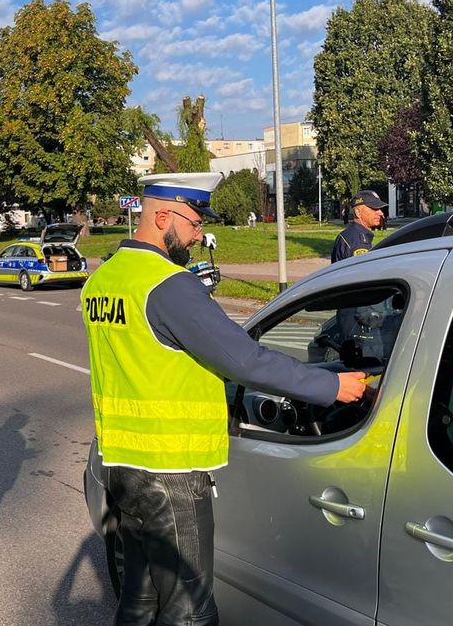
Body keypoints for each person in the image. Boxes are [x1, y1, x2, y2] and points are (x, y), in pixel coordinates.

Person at [82, 172, 368, 626]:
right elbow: (246, 360)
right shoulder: (168, 284)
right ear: (162, 216)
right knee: (190, 611)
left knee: (139, 599)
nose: (198, 236)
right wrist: (333, 387)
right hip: (171, 471)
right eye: (194, 223)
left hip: (121, 464)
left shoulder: (104, 280)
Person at [330, 190, 386, 263]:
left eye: (380, 209)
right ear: (358, 213)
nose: (380, 213)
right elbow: (363, 272)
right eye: (374, 209)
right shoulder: (359, 242)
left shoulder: (349, 234)